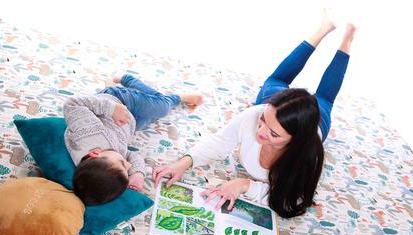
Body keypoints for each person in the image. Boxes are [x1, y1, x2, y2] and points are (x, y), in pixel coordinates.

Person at [153, 10, 356, 218]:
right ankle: (322, 30)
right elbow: (220, 142)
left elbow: (292, 200)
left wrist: (245, 185)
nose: (260, 132)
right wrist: (184, 162)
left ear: (296, 141)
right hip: (275, 101)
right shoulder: (257, 113)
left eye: (274, 134)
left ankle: (347, 40)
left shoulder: (307, 156)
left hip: (316, 119)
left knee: (324, 98)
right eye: (263, 122)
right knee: (275, 82)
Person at [64, 74, 203, 206]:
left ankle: (132, 81)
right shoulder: (103, 165)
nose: (128, 165)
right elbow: (132, 155)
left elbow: (72, 103)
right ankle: (155, 98)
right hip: (130, 124)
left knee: (161, 107)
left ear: (94, 153)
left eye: (123, 164)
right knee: (153, 110)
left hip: (120, 101)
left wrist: (112, 109)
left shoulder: (86, 134)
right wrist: (137, 173)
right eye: (127, 169)